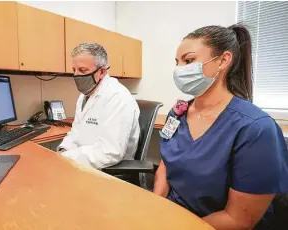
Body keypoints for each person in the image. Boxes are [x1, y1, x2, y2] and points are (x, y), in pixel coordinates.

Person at [154, 24, 288, 229]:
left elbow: (239, 220)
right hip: (172, 217)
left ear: (223, 61)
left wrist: (177, 226)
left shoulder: (255, 129)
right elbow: (165, 165)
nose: (180, 70)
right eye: (178, 62)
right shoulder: (177, 114)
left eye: (189, 61)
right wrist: (156, 209)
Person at [57, 42, 140, 169]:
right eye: (74, 70)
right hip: (81, 164)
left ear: (101, 72)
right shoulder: (84, 96)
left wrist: (67, 157)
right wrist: (63, 150)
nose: (76, 75)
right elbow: (76, 133)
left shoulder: (117, 97)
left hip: (108, 170)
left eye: (82, 70)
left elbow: (111, 152)